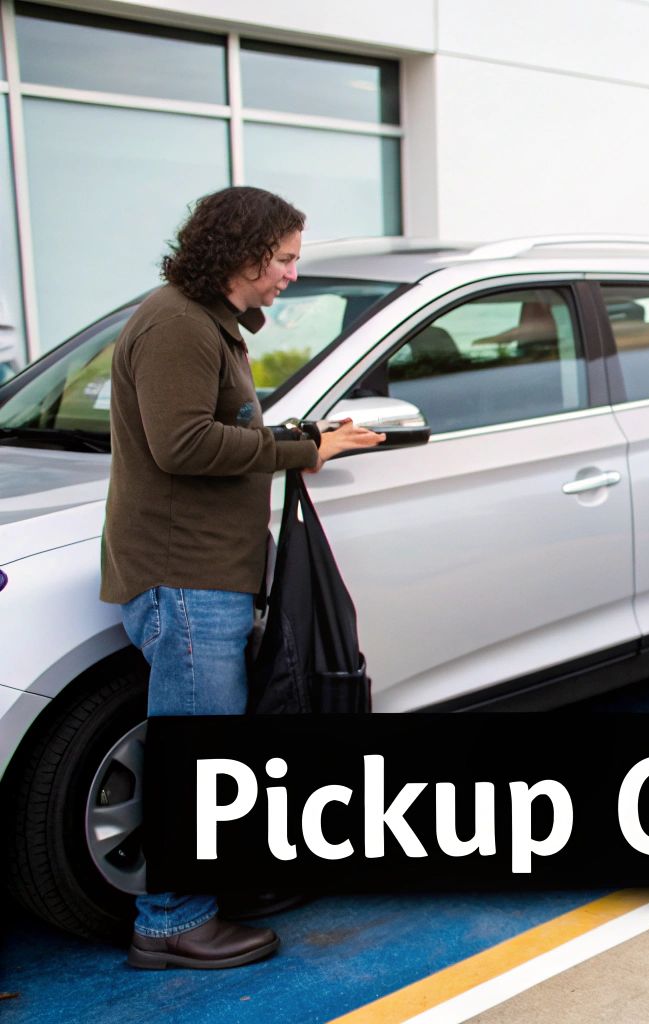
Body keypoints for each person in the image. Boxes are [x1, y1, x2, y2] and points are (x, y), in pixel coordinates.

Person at [101, 186, 383, 969]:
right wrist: (301, 452)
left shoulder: (207, 325)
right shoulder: (178, 326)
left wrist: (298, 434)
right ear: (243, 253)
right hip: (185, 579)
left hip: (203, 574)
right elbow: (183, 446)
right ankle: (170, 922)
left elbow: (216, 429)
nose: (294, 273)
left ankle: (207, 894)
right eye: (286, 258)